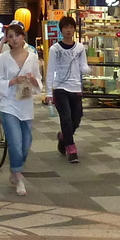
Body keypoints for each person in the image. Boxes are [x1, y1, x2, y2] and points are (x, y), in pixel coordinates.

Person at [0, 21, 42, 195]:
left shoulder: (32, 57)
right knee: (14, 139)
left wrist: (32, 80)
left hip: (25, 104)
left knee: (26, 142)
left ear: (23, 37)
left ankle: (16, 169)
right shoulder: (4, 58)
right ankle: (18, 174)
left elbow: (38, 80)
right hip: (8, 104)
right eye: (10, 36)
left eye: (17, 36)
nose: (14, 40)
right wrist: (13, 81)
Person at [45, 15, 89, 163]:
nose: (68, 30)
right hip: (60, 88)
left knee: (77, 118)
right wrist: (48, 93)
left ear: (74, 29)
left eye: (71, 27)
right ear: (61, 30)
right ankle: (71, 148)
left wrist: (88, 69)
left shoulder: (80, 48)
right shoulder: (55, 49)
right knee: (66, 118)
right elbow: (50, 70)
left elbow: (83, 65)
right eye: (65, 28)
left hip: (75, 87)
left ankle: (63, 137)